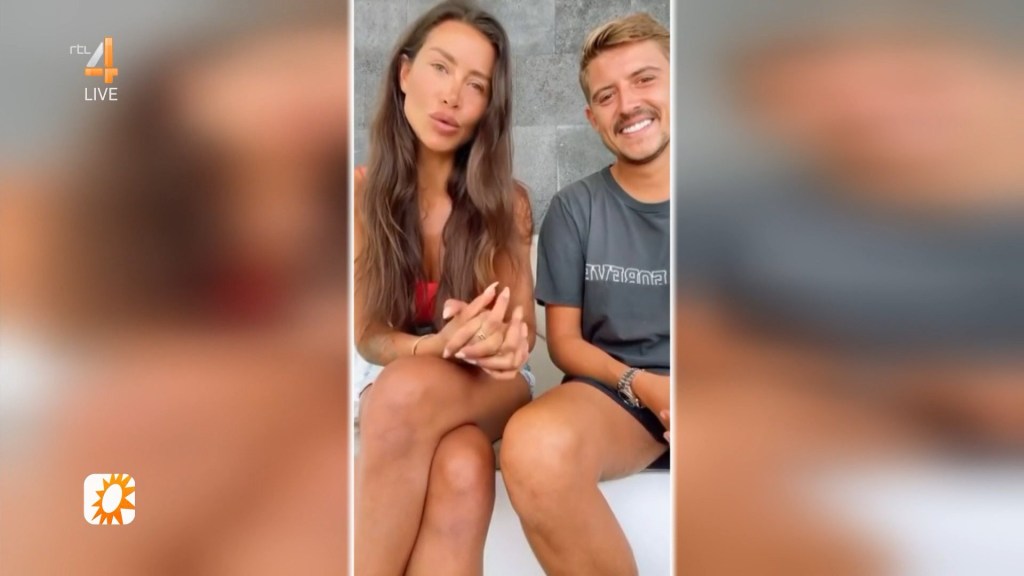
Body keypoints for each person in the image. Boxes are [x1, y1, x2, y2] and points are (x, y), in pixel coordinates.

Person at [352, 1, 535, 575]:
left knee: (403, 394)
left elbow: (522, 338)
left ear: (487, 108)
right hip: (396, 372)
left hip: (490, 384)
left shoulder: (507, 203)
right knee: (462, 463)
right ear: (405, 73)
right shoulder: (361, 196)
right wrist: (432, 346)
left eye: (476, 84)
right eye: (440, 67)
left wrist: (495, 339)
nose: (453, 95)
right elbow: (368, 335)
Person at [498, 13, 671, 576]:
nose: (628, 104)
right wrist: (645, 384)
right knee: (533, 445)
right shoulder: (576, 208)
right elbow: (566, 344)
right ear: (592, 117)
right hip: (618, 400)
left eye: (644, 79)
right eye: (606, 94)